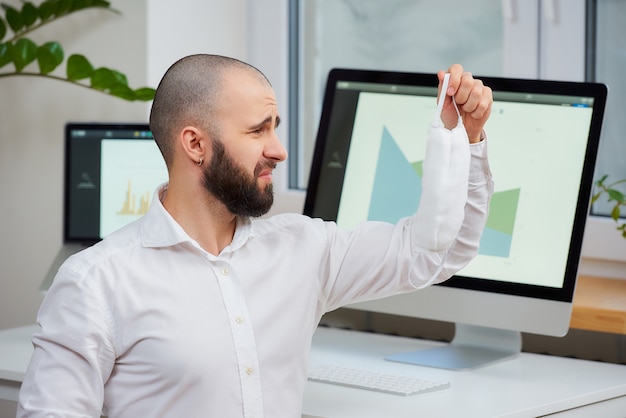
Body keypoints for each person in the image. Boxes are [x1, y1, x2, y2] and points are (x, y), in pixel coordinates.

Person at [17, 54, 493, 418]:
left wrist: (465, 141)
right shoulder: (95, 283)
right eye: (258, 130)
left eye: (276, 128)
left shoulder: (303, 250)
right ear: (195, 144)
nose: (279, 150)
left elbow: (437, 251)